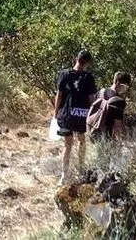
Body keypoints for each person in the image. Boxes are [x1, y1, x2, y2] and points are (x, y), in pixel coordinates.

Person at [54, 50, 98, 183]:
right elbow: (92, 99)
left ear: (76, 59)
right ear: (88, 63)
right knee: (82, 141)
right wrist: (94, 116)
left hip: (67, 115)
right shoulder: (89, 78)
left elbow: (59, 95)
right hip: (82, 116)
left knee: (67, 145)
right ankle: (80, 170)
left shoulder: (64, 74)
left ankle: (64, 175)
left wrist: (56, 113)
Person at [88, 72, 131, 141]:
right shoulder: (119, 101)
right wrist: (118, 141)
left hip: (93, 132)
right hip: (107, 137)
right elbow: (117, 125)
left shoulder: (101, 92)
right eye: (126, 86)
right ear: (118, 82)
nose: (126, 89)